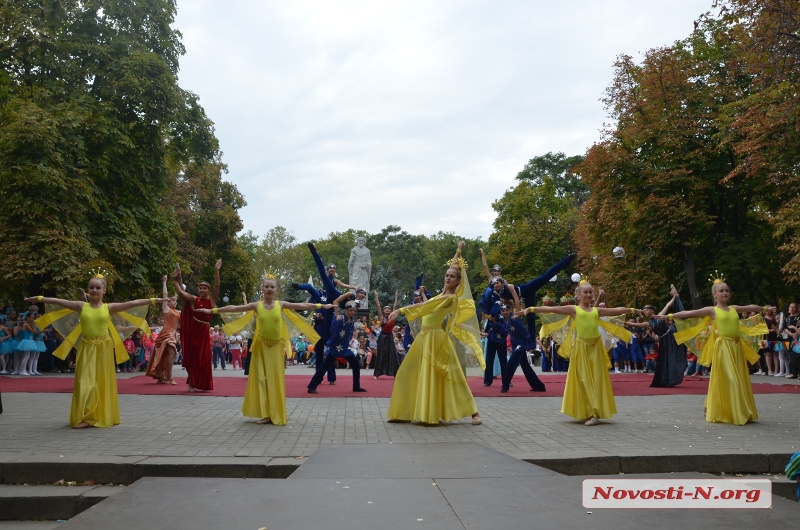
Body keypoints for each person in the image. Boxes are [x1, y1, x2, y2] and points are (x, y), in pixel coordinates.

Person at [27, 273, 164, 428]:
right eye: (91, 287)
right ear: (88, 290)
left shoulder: (109, 308)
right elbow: (60, 301)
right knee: (84, 382)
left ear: (104, 290)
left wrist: (154, 300)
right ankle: (86, 414)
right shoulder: (81, 306)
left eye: (98, 288)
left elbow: (133, 303)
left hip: (103, 348)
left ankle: (95, 416)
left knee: (100, 382)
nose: (94, 290)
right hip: (86, 347)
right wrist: (39, 299)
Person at [198, 276, 328, 425]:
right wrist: (211, 310)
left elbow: (303, 305)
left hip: (276, 348)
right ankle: (266, 413)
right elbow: (233, 308)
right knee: (260, 380)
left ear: (276, 290)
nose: (269, 289)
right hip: (261, 347)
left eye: (272, 287)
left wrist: (323, 306)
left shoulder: (281, 304)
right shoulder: (256, 306)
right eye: (267, 286)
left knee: (275, 381)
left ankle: (275, 413)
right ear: (262, 289)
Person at [386, 242, 484, 426]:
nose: (448, 278)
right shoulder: (440, 294)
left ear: (458, 282)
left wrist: (401, 310)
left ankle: (474, 413)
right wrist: (457, 251)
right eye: (446, 275)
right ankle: (404, 411)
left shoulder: (450, 298)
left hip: (437, 340)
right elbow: (453, 269)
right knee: (407, 372)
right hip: (424, 338)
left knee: (453, 377)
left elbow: (425, 307)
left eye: (452, 276)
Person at [531, 280, 635, 426]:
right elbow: (553, 309)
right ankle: (590, 412)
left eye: (590, 292)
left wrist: (632, 310)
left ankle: (595, 413)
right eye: (585, 292)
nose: (588, 294)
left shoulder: (596, 311)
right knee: (584, 379)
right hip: (581, 348)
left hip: (596, 347)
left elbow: (616, 310)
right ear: (578, 295)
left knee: (597, 379)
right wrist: (530, 309)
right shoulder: (574, 309)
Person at [669, 276, 768, 425]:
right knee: (731, 379)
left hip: (736, 347)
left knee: (739, 378)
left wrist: (764, 309)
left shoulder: (734, 308)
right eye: (721, 291)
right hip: (723, 347)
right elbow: (688, 313)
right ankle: (735, 412)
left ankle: (717, 406)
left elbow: (751, 307)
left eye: (727, 290)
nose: (725, 293)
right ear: (714, 294)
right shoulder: (712, 310)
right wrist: (668, 316)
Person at [172, 260, 221, 392]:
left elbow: (217, 286)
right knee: (193, 356)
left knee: (203, 358)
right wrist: (175, 281)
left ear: (208, 290)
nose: (202, 290)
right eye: (200, 288)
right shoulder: (195, 299)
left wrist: (216, 271)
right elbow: (182, 294)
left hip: (204, 331)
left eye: (204, 288)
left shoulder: (212, 300)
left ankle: (202, 382)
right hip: (193, 329)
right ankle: (191, 383)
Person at [307, 295, 368, 394]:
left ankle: (356, 386)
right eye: (351, 310)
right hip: (335, 348)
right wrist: (347, 294)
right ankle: (312, 386)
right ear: (346, 310)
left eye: (354, 310)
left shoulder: (351, 320)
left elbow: (358, 303)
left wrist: (358, 296)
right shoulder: (340, 319)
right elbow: (335, 301)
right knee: (324, 367)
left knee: (356, 364)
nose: (353, 312)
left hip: (344, 348)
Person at [503, 304, 547, 392]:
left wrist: (530, 343)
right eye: (503, 311)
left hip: (521, 344)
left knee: (511, 362)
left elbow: (525, 331)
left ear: (510, 311)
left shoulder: (515, 319)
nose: (505, 312)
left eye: (506, 310)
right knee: (525, 366)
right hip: (516, 344)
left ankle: (505, 385)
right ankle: (538, 386)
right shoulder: (504, 320)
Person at [146, 275, 180, 384]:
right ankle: (170, 376)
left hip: (173, 333)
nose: (175, 302)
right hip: (166, 333)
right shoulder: (166, 309)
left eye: (175, 301)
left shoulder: (177, 312)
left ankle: (162, 376)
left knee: (166, 354)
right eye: (173, 301)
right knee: (172, 352)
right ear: (168, 302)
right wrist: (164, 282)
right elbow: (165, 295)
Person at [373, 290, 401, 379]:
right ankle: (377, 374)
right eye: (386, 308)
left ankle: (394, 373)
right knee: (381, 354)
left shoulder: (393, 317)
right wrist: (376, 296)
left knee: (392, 354)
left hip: (389, 337)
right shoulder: (382, 317)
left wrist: (396, 296)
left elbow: (395, 306)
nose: (387, 309)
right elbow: (378, 306)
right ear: (384, 310)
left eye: (389, 308)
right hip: (382, 337)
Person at [348, 237, 372, 308]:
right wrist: (351, 265)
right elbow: (350, 262)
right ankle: (353, 303)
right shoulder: (354, 250)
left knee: (363, 287)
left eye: (362, 241)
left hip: (363, 272)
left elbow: (369, 263)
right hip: (355, 271)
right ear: (357, 241)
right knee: (354, 287)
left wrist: (366, 265)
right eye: (359, 241)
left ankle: (363, 304)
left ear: (364, 242)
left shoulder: (367, 251)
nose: (361, 242)